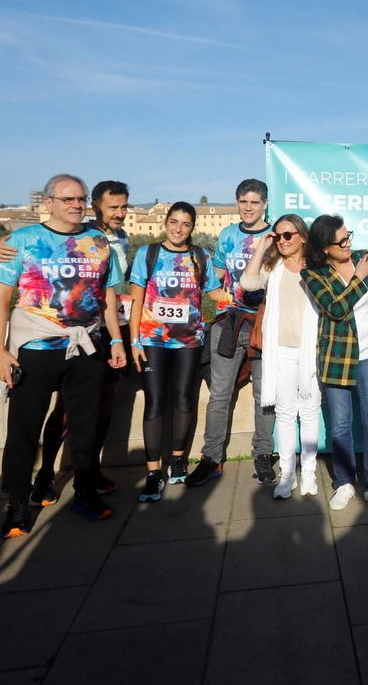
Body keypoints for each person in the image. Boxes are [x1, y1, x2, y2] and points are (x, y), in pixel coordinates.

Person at [0, 174, 127, 539]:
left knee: (85, 427)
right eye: (68, 199)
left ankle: (83, 491)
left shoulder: (98, 241)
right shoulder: (21, 240)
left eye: (81, 199)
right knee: (23, 429)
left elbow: (108, 297)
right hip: (35, 349)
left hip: (85, 347)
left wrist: (115, 341)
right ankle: (17, 503)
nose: (77, 205)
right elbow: (1, 299)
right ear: (47, 203)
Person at [126, 202, 218, 501]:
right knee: (155, 401)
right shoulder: (148, 254)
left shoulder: (201, 256)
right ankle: (153, 472)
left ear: (193, 227)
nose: (178, 229)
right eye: (174, 222)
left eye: (186, 224)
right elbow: (136, 300)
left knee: (183, 397)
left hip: (190, 341)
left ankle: (177, 459)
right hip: (153, 340)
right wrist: (133, 341)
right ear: (165, 222)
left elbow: (216, 293)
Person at [302, 215, 368, 512]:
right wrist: (358, 278)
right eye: (341, 240)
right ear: (324, 247)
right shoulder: (313, 274)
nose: (348, 243)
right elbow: (336, 309)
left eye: (348, 235)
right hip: (337, 358)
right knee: (341, 425)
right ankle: (344, 482)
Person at [191, 179, 277, 487]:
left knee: (264, 395)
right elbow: (214, 277)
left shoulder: (275, 236)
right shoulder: (228, 234)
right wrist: (217, 299)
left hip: (265, 325)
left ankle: (263, 455)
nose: (249, 207)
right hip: (229, 323)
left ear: (265, 204)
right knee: (220, 395)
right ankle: (211, 457)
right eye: (243, 202)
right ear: (237, 203)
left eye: (254, 202)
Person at [240, 215, 321, 500]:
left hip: (312, 351)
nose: (283, 240)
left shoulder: (317, 267)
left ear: (302, 236)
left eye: (288, 234)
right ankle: (288, 474)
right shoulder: (272, 268)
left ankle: (308, 472)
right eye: (279, 235)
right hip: (281, 351)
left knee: (310, 413)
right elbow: (247, 283)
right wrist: (263, 246)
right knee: (286, 414)